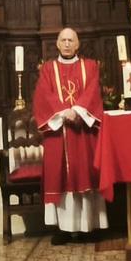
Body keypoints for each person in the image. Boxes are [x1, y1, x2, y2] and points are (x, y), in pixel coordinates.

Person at [32, 27, 108, 244]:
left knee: (86, 172)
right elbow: (43, 95)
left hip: (83, 130)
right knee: (60, 177)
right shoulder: (47, 69)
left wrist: (78, 110)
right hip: (59, 132)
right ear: (57, 44)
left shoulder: (91, 66)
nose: (66, 44)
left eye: (70, 40)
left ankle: (90, 226)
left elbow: (93, 90)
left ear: (77, 44)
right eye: (63, 40)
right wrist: (63, 112)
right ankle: (62, 229)